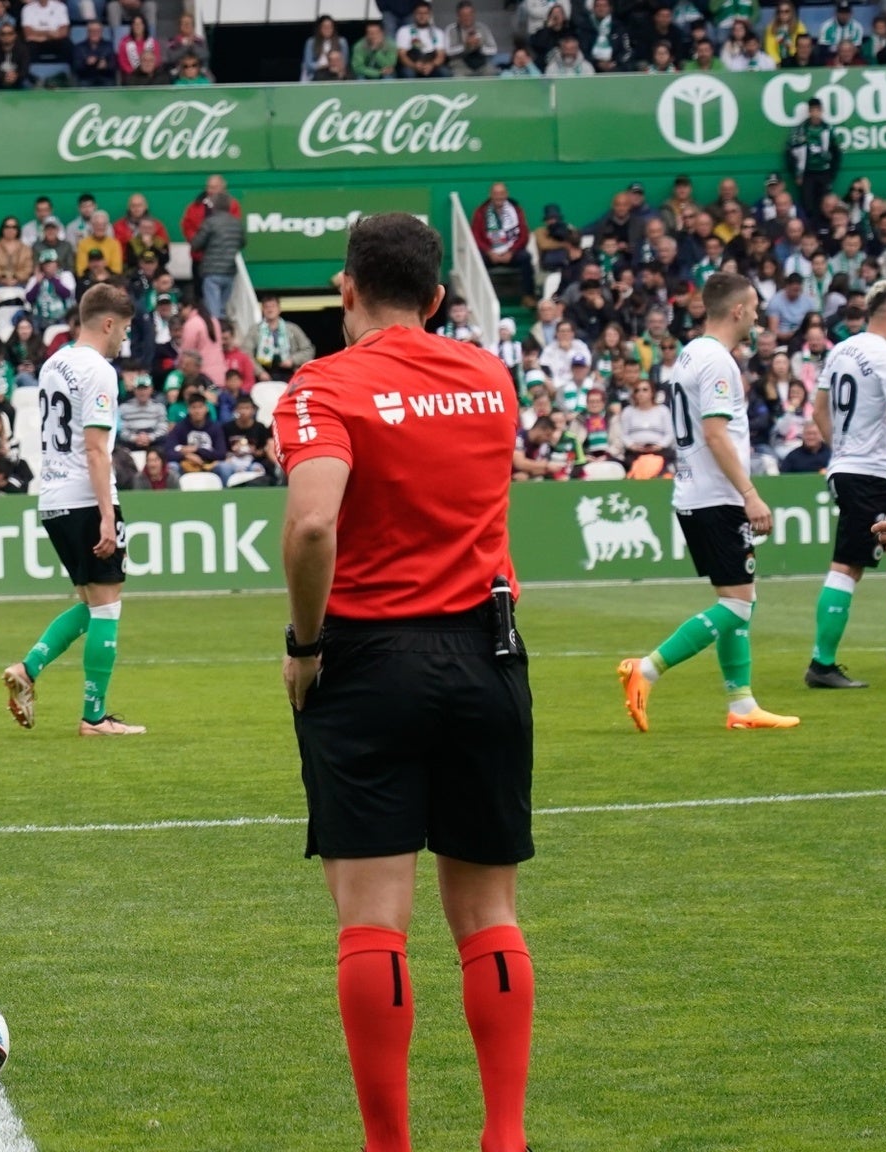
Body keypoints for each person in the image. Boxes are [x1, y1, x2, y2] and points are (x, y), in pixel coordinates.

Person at [275, 212, 535, 1152]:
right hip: (488, 656)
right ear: (436, 297)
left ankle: (390, 1145)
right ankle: (503, 1137)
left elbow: (312, 527)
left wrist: (305, 645)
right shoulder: (489, 377)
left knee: (374, 924)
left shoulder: (323, 386)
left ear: (346, 288)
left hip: (370, 663)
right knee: (488, 916)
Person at [619, 271, 800, 731]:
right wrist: (751, 494)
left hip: (698, 493)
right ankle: (648, 668)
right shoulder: (717, 361)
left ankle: (741, 706)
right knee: (738, 605)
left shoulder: (689, 354)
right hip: (715, 496)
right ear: (738, 310)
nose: (759, 314)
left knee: (739, 598)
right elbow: (716, 435)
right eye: (755, 306)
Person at [0, 284, 141, 736]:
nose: (124, 340)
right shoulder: (99, 371)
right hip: (86, 497)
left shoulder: (53, 363)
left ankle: (28, 669)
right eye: (124, 330)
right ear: (107, 323)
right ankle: (94, 718)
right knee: (108, 609)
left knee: (89, 602)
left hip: (54, 499)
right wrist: (106, 515)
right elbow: (97, 450)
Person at [803, 281, 886, 687]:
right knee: (848, 566)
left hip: (850, 467)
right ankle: (821, 665)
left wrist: (841, 449)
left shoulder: (842, 349)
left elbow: (818, 410)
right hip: (868, 472)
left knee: (884, 553)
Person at [787, 98, 842, 224]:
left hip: (824, 172)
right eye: (812, 110)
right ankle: (810, 229)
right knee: (808, 205)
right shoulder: (800, 130)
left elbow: (837, 152)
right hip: (807, 174)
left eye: (818, 110)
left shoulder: (828, 129)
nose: (815, 113)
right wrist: (796, 173)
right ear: (809, 112)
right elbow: (790, 152)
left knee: (826, 204)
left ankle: (825, 228)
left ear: (822, 111)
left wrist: (831, 174)